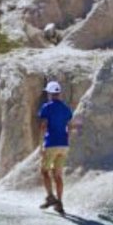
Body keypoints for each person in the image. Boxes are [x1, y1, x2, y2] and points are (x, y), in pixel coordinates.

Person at [36, 81, 77, 214]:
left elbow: (43, 126)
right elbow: (70, 126)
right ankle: (59, 204)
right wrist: (66, 140)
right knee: (58, 175)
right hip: (64, 145)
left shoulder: (46, 107)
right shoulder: (66, 108)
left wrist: (40, 145)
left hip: (51, 143)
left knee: (44, 171)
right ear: (59, 93)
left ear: (49, 93)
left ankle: (50, 197)